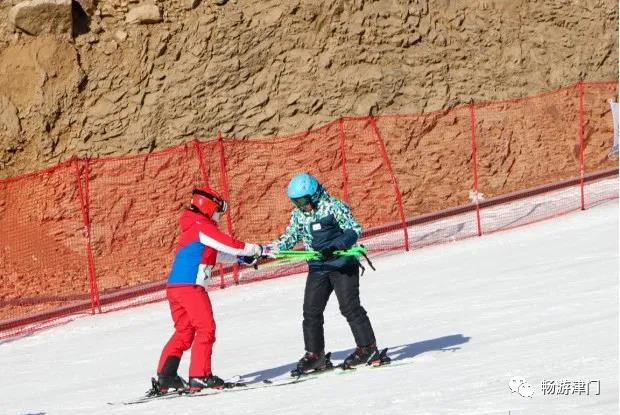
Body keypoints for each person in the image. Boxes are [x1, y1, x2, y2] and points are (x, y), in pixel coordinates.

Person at [265, 172, 383, 374]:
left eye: (303, 200)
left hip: (341, 264)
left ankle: (368, 348)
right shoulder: (299, 215)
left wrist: (335, 245)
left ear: (315, 194)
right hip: (318, 267)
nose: (301, 205)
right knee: (311, 312)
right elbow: (290, 238)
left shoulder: (334, 206)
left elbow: (353, 229)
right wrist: (267, 251)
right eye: (296, 202)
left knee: (349, 307)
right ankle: (315, 355)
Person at [153, 187, 264, 394]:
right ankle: (200, 375)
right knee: (206, 328)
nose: (219, 216)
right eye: (218, 211)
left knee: (185, 331)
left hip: (176, 287)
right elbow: (228, 243)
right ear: (209, 207)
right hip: (190, 287)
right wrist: (255, 249)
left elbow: (216, 254)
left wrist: (244, 259)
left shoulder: (194, 228)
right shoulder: (201, 227)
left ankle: (166, 376)